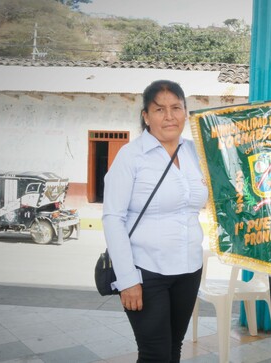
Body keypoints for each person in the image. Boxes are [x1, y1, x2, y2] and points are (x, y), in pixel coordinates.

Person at [102, 80, 209, 362]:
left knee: (173, 348)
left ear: (186, 112)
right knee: (155, 354)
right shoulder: (131, 156)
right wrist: (127, 280)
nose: (169, 116)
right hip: (146, 271)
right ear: (146, 116)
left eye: (176, 107)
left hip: (189, 269)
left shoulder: (195, 153)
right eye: (159, 109)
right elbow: (113, 218)